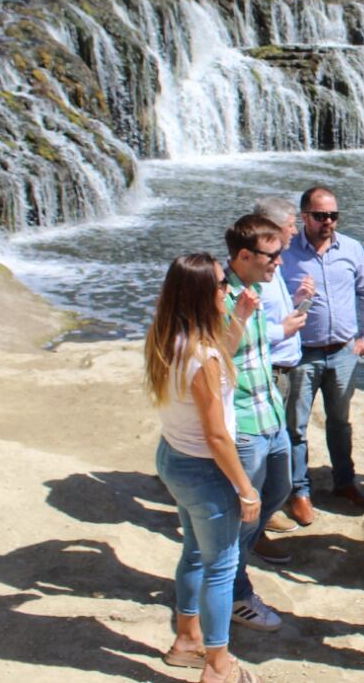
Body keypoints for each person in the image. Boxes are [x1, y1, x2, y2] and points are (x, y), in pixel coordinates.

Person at [146, 253, 265, 683]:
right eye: (219, 284)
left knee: (195, 551)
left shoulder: (169, 336)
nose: (228, 290)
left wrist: (242, 319)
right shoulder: (201, 355)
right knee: (222, 566)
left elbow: (217, 365)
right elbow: (216, 436)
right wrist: (245, 489)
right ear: (200, 294)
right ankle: (217, 666)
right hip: (204, 469)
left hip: (172, 456)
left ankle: (186, 640)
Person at [279, 186, 364, 521]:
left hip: (343, 352)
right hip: (301, 353)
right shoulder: (286, 252)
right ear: (304, 216)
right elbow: (268, 297)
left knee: (340, 422)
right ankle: (299, 492)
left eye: (333, 215)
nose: (328, 222)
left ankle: (345, 482)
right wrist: (294, 302)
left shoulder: (351, 248)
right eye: (321, 216)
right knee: (296, 427)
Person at [223, 214, 294, 633]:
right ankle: (234, 591)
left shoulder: (254, 290)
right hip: (247, 425)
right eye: (273, 255)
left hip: (272, 417)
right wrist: (239, 318)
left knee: (278, 491)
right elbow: (212, 358)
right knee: (242, 515)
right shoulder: (219, 298)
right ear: (245, 256)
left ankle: (231, 568)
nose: (279, 263)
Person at [250, 196, 315, 541]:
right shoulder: (256, 270)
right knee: (264, 447)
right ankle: (259, 518)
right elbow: (246, 327)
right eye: (292, 223)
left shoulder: (275, 266)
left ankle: (268, 507)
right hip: (271, 370)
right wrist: (284, 330)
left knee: (282, 440)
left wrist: (296, 299)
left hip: (286, 366)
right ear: (274, 228)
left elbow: (270, 314)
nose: (296, 229)